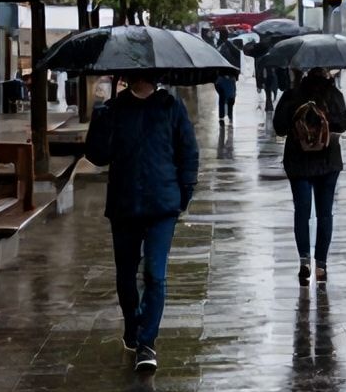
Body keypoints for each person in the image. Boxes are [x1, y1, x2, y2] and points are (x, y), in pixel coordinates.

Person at [83, 74, 199, 374]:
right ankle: (132, 325)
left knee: (155, 274)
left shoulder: (171, 107)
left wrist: (184, 194)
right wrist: (101, 117)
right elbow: (97, 155)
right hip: (125, 205)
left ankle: (147, 342)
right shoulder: (113, 110)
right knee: (125, 273)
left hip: (162, 205)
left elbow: (188, 152)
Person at [273, 68, 346, 284]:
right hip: (328, 161)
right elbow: (343, 124)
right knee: (325, 214)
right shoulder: (334, 95)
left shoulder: (292, 94)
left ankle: (304, 260)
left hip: (298, 162)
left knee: (302, 212)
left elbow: (279, 127)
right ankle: (321, 266)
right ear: (326, 73)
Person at [213, 33, 241, 126]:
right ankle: (228, 116)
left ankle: (224, 117)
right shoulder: (226, 48)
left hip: (222, 78)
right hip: (226, 78)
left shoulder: (218, 48)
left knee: (224, 98)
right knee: (229, 99)